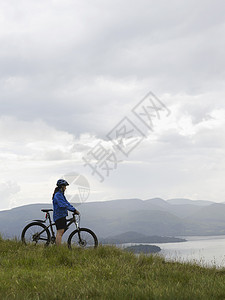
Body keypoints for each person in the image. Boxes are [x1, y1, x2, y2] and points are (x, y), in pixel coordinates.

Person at [52, 179, 80, 245]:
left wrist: (74, 209)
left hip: (62, 215)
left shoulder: (61, 195)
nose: (65, 188)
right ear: (61, 187)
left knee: (61, 232)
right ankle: (58, 250)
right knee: (60, 232)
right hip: (59, 215)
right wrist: (73, 210)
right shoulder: (58, 195)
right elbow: (63, 204)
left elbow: (67, 203)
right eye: (64, 186)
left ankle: (57, 246)